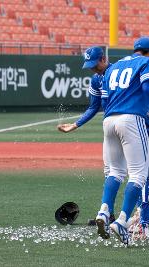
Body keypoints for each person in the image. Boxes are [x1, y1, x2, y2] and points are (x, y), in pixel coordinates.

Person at [95, 36, 149, 245]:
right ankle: (121, 221)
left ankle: (103, 211)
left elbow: (104, 98)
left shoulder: (114, 65)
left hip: (109, 119)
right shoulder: (145, 62)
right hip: (131, 118)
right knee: (138, 174)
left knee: (116, 172)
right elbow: (147, 89)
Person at [57, 46, 114, 223]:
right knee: (109, 171)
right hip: (110, 126)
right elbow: (93, 106)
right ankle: (109, 214)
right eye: (89, 65)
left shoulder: (117, 72)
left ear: (103, 59)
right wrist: (75, 124)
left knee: (138, 172)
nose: (92, 68)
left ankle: (141, 216)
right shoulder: (96, 79)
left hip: (132, 125)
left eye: (94, 64)